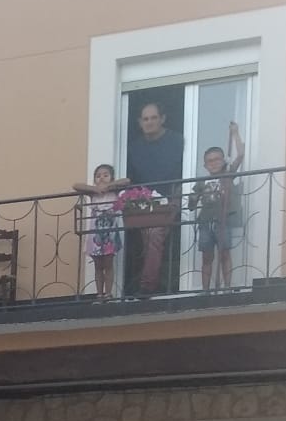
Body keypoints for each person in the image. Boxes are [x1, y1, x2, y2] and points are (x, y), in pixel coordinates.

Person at [125, 101, 186, 294]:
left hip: (171, 197)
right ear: (139, 122)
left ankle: (147, 286)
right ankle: (136, 282)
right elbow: (130, 178)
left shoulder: (178, 141)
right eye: (145, 119)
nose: (149, 122)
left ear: (162, 119)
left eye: (153, 118)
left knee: (154, 235)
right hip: (144, 200)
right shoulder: (134, 147)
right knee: (139, 239)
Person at [190, 122, 246, 290]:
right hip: (205, 222)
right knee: (207, 257)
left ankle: (227, 287)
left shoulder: (227, 175)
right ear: (205, 165)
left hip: (223, 220)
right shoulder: (201, 182)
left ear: (223, 161)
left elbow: (240, 155)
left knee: (224, 254)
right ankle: (205, 289)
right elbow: (192, 203)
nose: (213, 163)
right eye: (209, 161)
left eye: (217, 159)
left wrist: (235, 133)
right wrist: (190, 200)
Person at [72, 163, 131, 299]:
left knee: (108, 263)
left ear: (111, 177)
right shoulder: (93, 194)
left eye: (105, 175)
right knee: (98, 265)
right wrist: (95, 188)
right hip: (95, 234)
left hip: (109, 233)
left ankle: (108, 293)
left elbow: (127, 181)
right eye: (98, 176)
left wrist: (108, 186)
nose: (102, 178)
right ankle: (99, 294)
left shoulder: (114, 192)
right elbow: (75, 185)